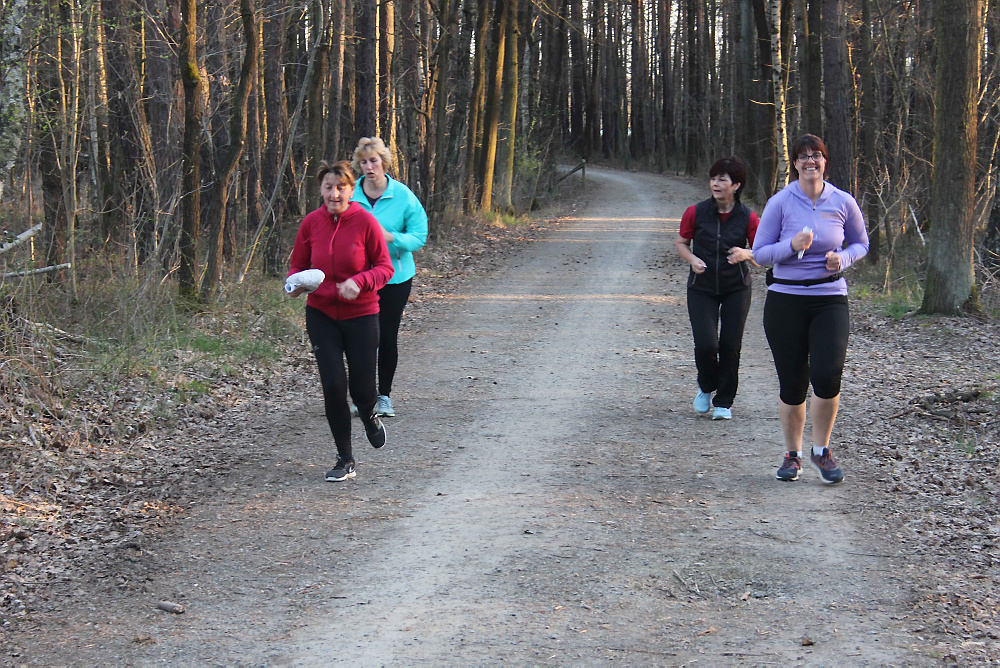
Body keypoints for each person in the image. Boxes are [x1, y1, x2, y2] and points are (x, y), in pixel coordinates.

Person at [751, 134, 869, 484]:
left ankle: (822, 450)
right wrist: (790, 245)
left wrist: (842, 258)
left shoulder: (842, 201)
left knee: (828, 374)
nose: (810, 162)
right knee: (793, 381)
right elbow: (759, 254)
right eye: (802, 157)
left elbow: (861, 243)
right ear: (795, 164)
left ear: (825, 161)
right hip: (786, 299)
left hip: (829, 298)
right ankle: (793, 455)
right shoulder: (780, 202)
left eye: (816, 155)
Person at [288, 160, 394, 482]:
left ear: (351, 189)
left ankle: (369, 414)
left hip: (362, 314)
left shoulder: (365, 222)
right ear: (321, 189)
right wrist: (295, 284)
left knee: (363, 389)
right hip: (321, 315)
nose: (334, 194)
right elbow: (297, 266)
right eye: (328, 187)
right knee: (333, 384)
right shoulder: (311, 223)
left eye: (341, 187)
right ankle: (345, 458)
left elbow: (385, 268)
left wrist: (358, 282)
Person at [675, 156, 759, 421]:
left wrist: (745, 254)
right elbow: (681, 242)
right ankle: (706, 386)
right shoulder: (695, 212)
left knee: (731, 345)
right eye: (713, 178)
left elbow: (762, 254)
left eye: (722, 179)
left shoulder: (748, 217)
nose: (715, 183)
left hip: (737, 287)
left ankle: (724, 401)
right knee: (706, 344)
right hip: (702, 287)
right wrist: (692, 260)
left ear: (736, 185)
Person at [350, 137, 428, 418]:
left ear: (384, 162)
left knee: (385, 336)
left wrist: (391, 237)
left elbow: (419, 236)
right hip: (358, 279)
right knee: (361, 338)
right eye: (364, 162)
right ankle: (363, 397)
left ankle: (384, 396)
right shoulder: (350, 196)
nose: (369, 167)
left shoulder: (403, 195)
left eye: (374, 161)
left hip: (395, 278)